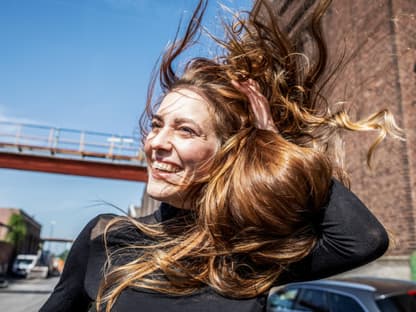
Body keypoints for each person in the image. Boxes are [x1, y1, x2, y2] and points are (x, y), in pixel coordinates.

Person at [40, 0, 402, 311]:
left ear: (227, 154)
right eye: (156, 124)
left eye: (186, 130)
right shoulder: (106, 237)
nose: (157, 143)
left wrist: (277, 147)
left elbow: (364, 239)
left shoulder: (251, 250)